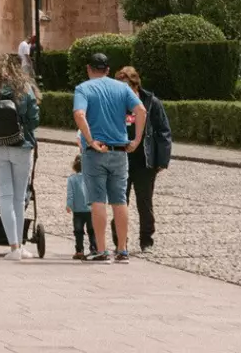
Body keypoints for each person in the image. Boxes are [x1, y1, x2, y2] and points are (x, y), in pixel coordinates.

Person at [71, 50, 144, 262]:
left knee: (97, 201)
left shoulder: (83, 88)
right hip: (120, 151)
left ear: (88, 69)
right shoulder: (122, 88)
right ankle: (122, 249)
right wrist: (137, 140)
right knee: (120, 201)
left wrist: (90, 139)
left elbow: (79, 114)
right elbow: (141, 110)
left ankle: (101, 250)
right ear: (108, 70)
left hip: (96, 152)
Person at [0, 52, 40, 260]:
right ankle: (20, 246)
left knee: (4, 195)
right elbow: (34, 119)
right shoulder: (25, 88)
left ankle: (13, 247)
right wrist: (23, 131)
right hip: (22, 146)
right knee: (20, 198)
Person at [117, 65, 172, 252]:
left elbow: (164, 131)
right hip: (121, 159)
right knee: (119, 201)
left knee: (144, 202)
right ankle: (120, 239)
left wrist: (162, 160)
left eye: (127, 87)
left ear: (135, 86)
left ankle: (146, 239)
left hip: (144, 161)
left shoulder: (151, 102)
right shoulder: (116, 102)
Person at [65, 154, 98, 260]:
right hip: (90, 210)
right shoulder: (91, 177)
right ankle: (94, 248)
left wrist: (69, 205)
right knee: (92, 230)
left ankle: (79, 250)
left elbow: (70, 194)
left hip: (78, 211)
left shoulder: (71, 179)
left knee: (78, 231)